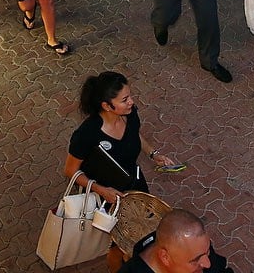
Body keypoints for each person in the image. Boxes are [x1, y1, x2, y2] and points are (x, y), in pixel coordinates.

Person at [65, 72, 182, 272]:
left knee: (141, 234)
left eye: (130, 96)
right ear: (106, 106)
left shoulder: (130, 114)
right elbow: (70, 171)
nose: (132, 102)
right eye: (124, 100)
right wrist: (103, 191)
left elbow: (135, 135)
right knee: (117, 247)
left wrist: (153, 154)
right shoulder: (86, 135)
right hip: (107, 197)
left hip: (135, 187)